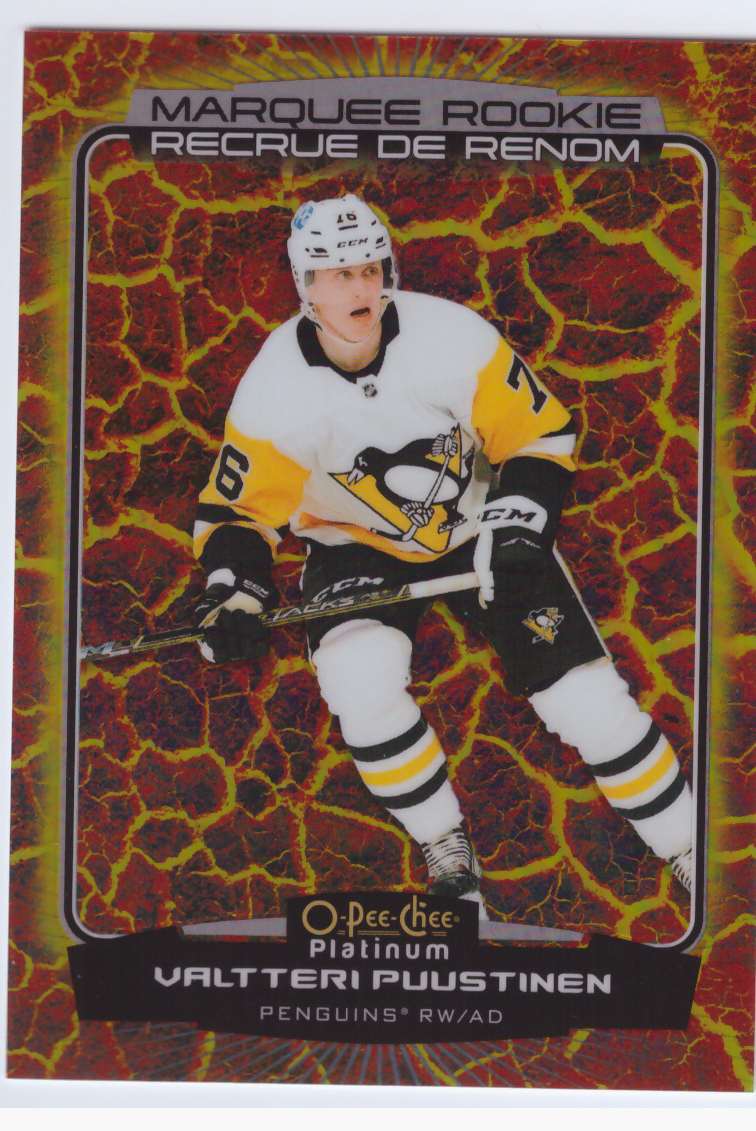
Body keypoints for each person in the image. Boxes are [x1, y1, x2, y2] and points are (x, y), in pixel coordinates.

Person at [193, 194, 693, 919]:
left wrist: (518, 527)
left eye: (370, 268)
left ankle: (686, 845)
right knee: (358, 679)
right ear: (304, 285)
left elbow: (538, 434)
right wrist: (234, 593)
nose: (360, 288)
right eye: (338, 275)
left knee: (583, 699)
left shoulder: (452, 337)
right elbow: (240, 513)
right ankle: (444, 844)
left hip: (479, 526)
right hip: (353, 543)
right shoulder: (274, 391)